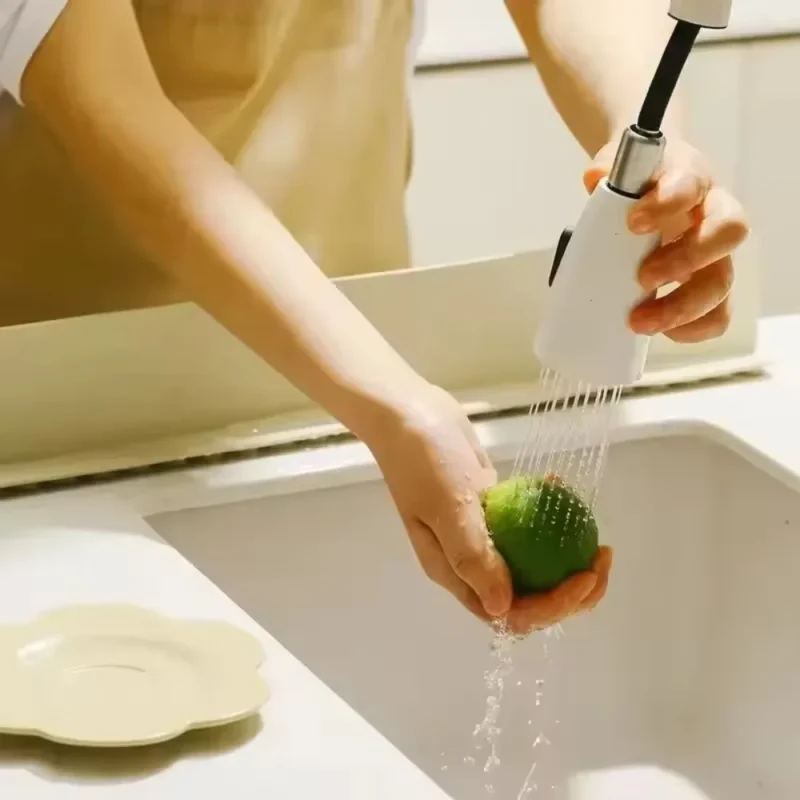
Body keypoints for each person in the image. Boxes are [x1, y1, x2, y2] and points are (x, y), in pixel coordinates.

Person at [0, 0, 748, 634]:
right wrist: (391, 404)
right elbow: (101, 94)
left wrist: (650, 153)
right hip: (78, 413)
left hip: (359, 359)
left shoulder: (384, 406)